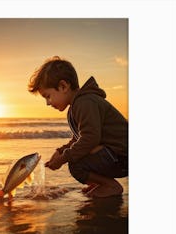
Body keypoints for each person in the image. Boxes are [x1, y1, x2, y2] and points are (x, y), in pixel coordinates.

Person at [28, 56, 128, 198]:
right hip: (116, 155)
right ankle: (101, 183)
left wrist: (64, 158)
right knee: (78, 154)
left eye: (48, 96)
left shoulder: (85, 103)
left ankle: (109, 186)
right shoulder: (77, 106)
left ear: (63, 86)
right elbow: (79, 138)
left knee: (76, 164)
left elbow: (90, 138)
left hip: (123, 156)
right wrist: (61, 151)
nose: (48, 103)